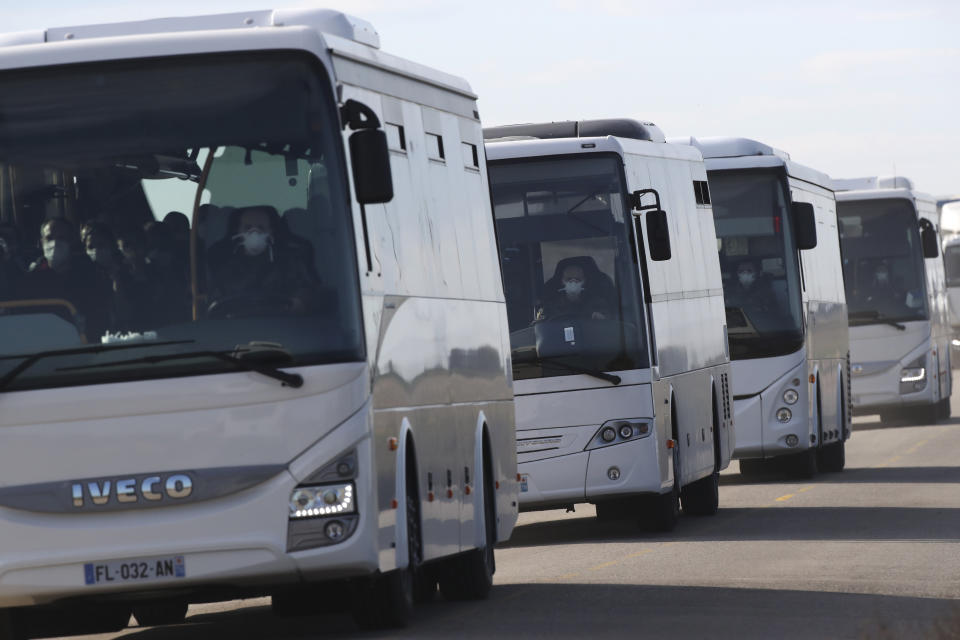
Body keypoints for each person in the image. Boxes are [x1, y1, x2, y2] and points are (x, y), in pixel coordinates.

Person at [206, 205, 320, 316]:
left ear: (271, 231)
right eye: (247, 227)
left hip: (282, 326)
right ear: (238, 231)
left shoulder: (290, 262)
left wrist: (300, 303)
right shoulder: (224, 266)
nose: (254, 233)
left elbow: (306, 292)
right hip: (233, 329)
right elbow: (213, 302)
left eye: (261, 227)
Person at [23, 218, 113, 341]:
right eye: (49, 238)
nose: (55, 244)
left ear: (71, 242)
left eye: (61, 238)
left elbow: (100, 318)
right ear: (41, 242)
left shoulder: (89, 275)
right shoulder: (32, 279)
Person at [537, 257, 615, 322]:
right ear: (562, 281)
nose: (573, 282)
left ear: (584, 281)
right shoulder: (550, 307)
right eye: (568, 279)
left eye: (578, 279)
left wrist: (602, 320)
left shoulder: (598, 304)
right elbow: (537, 328)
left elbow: (612, 327)